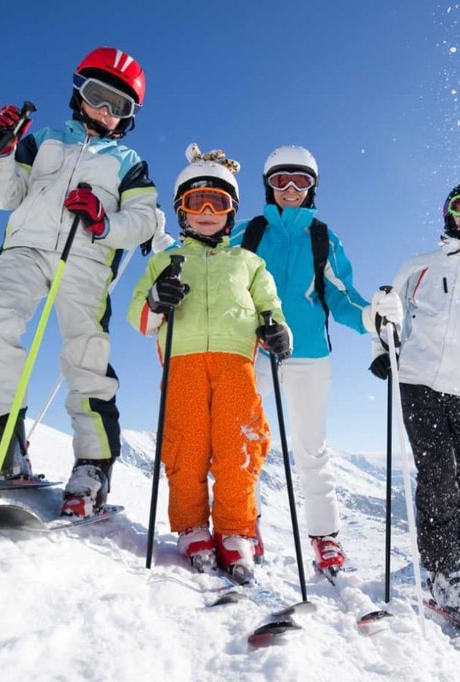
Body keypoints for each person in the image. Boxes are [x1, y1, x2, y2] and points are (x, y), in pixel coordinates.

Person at [0, 46, 164, 519]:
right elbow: (3, 195)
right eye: (96, 95)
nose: (104, 110)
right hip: (26, 248)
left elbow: (144, 220)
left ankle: (93, 467)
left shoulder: (129, 161)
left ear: (129, 117)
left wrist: (104, 222)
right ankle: (0, 437)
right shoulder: (44, 140)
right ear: (77, 92)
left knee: (86, 354)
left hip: (87, 260)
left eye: (118, 105)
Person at [127, 144, 291, 584]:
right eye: (195, 202)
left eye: (216, 203)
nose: (205, 212)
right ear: (180, 210)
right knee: (186, 446)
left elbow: (271, 308)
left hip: (236, 364)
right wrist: (156, 301)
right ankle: (192, 527)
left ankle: (236, 530)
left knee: (240, 446)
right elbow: (138, 316)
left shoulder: (248, 263)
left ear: (230, 211)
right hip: (182, 364)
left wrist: (276, 330)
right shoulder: (164, 261)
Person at [367, 180, 460, 632]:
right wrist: (382, 350)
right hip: (419, 382)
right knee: (437, 474)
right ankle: (444, 574)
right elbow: (386, 314)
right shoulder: (418, 267)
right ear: (448, 213)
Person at [231, 146, 378, 575]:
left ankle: (325, 537)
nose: (291, 189)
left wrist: (370, 317)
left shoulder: (322, 237)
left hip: (309, 354)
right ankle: (245, 522)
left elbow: (341, 294)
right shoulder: (249, 233)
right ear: (268, 186)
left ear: (313, 188)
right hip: (256, 350)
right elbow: (219, 276)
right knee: (245, 442)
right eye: (281, 180)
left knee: (312, 448)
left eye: (301, 181)